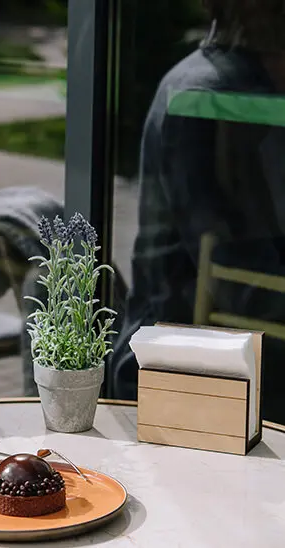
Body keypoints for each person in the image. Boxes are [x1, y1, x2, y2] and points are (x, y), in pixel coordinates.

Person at [111, 0, 285, 422]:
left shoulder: (233, 87)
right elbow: (230, 269)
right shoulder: (208, 98)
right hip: (186, 366)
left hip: (227, 349)